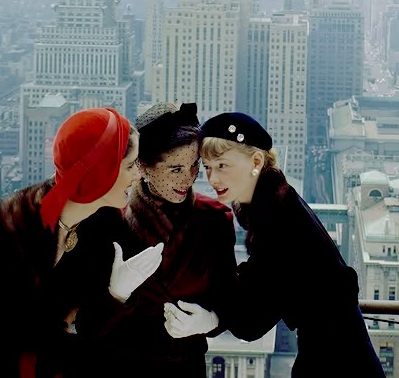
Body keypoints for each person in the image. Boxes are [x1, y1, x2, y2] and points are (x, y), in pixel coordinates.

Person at [0, 107, 164, 378]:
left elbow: (87, 328)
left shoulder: (104, 227)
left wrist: (117, 294)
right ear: (100, 171)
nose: (138, 175)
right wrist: (21, 335)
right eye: (130, 166)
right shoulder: (9, 226)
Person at [164, 111, 386, 378]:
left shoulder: (277, 224)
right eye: (208, 168)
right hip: (340, 350)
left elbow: (250, 323)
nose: (213, 179)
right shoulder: (277, 204)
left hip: (336, 362)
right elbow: (264, 279)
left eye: (222, 165)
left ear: (256, 161)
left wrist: (213, 312)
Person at [76, 102, 237, 378]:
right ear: (143, 166)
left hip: (187, 370)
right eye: (175, 169)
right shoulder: (106, 220)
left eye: (194, 165)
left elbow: (229, 300)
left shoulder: (215, 220)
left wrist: (211, 320)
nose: (188, 179)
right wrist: (116, 295)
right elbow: (86, 326)